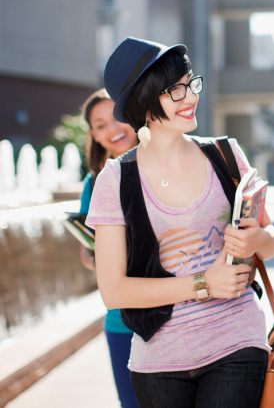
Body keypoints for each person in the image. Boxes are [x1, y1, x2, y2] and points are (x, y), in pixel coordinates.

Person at [86, 37, 274, 408]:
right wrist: (204, 283)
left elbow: (271, 241)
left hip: (236, 339)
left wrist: (258, 241)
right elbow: (113, 291)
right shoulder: (115, 179)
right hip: (157, 356)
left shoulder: (225, 154)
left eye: (190, 83)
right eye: (174, 91)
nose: (190, 97)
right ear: (144, 101)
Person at [79, 88, 140, 408]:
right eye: (100, 125)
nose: (113, 129)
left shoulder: (167, 168)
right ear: (93, 135)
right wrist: (96, 257)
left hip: (177, 313)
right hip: (121, 321)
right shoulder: (93, 184)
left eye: (117, 117)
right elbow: (87, 253)